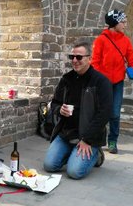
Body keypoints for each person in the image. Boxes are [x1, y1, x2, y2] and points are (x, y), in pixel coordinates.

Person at [43, 40, 113, 179]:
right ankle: (72, 152)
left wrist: (87, 139)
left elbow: (104, 114)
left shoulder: (101, 82)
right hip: (66, 133)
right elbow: (55, 102)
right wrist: (59, 110)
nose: (75, 60)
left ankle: (96, 154)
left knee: (74, 172)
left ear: (89, 59)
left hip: (88, 136)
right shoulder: (66, 79)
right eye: (72, 57)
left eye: (79, 57)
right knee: (49, 166)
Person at [92, 9, 133, 154]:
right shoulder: (101, 40)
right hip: (102, 83)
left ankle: (113, 141)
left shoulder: (125, 41)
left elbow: (132, 61)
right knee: (100, 112)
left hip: (117, 83)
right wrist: (96, 81)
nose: (125, 25)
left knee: (115, 113)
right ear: (114, 22)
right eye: (123, 22)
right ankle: (97, 140)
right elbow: (95, 63)